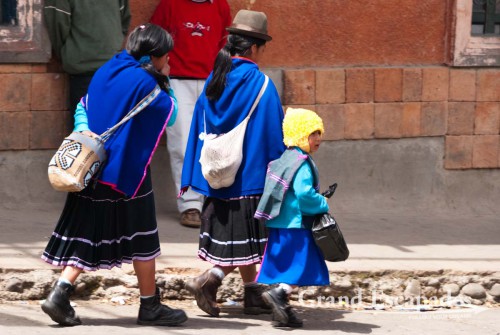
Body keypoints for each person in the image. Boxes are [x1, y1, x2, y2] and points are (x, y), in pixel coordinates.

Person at [40, 24, 187, 327]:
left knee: (88, 232)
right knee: (144, 238)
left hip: (92, 167)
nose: (168, 60)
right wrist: (166, 81)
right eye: (166, 56)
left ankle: (59, 292)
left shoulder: (108, 68)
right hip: (127, 172)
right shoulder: (147, 83)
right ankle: (150, 306)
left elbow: (85, 105)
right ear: (154, 56)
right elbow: (170, 115)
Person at [180, 10, 285, 317]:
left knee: (240, 242)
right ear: (255, 48)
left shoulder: (215, 79)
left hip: (217, 174)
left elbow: (200, 125)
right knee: (246, 243)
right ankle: (209, 279)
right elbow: (273, 136)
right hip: (249, 180)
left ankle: (252, 294)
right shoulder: (261, 85)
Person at [150, 0, 232, 228]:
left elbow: (226, 46)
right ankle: (190, 205)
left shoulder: (220, 6)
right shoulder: (170, 4)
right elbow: (153, 40)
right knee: (182, 145)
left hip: (212, 83)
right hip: (176, 82)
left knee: (216, 143)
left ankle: (215, 201)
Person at [254, 108, 330, 328]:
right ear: (298, 134)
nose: (318, 139)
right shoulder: (302, 163)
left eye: (319, 133)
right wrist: (322, 203)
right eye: (312, 133)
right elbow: (305, 195)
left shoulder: (286, 158)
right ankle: (280, 293)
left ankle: (283, 313)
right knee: (302, 266)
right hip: (297, 225)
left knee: (287, 267)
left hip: (280, 224)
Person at [44, 0, 131, 132]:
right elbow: (124, 22)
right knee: (112, 131)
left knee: (85, 135)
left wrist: (70, 52)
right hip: (112, 68)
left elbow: (58, 28)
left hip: (85, 69)